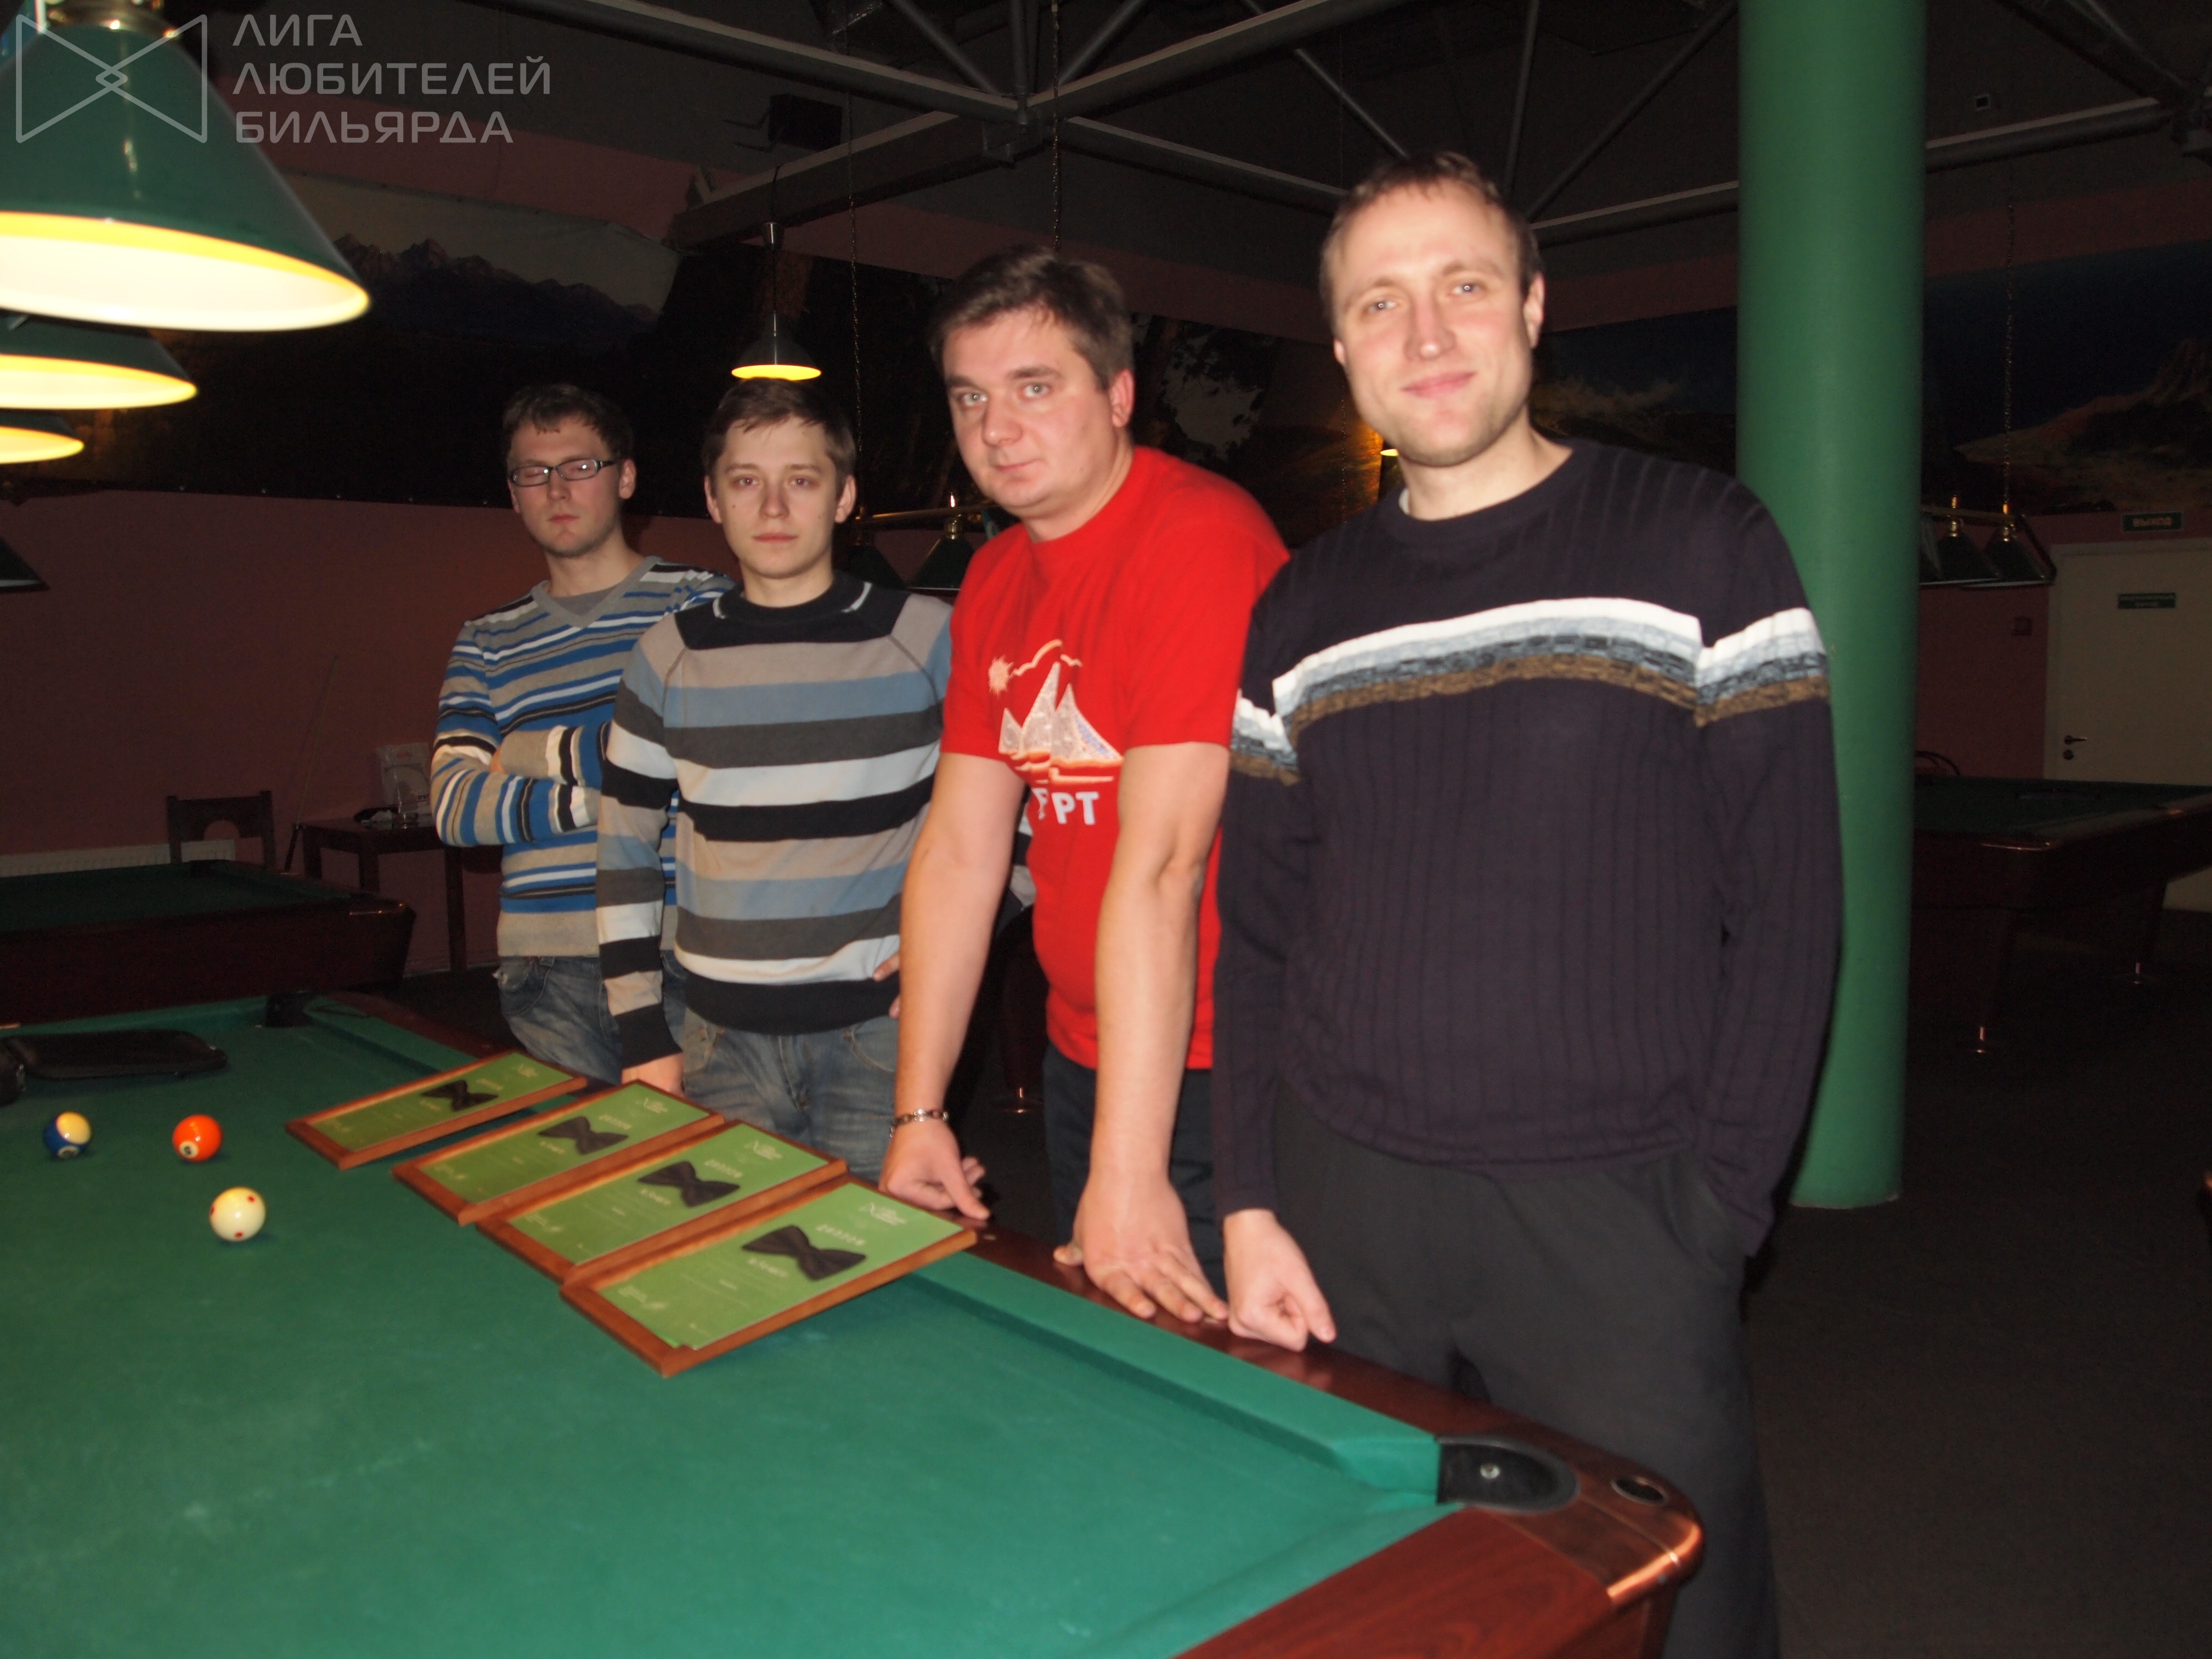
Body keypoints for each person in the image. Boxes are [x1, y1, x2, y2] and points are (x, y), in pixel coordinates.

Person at [1212, 151, 1841, 1659]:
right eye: (1382, 302)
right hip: (1349, 1208)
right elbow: (1258, 928)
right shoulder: (1300, 608)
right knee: (1374, 1608)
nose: (1427, 333)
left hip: (1618, 1219)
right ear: (1343, 345)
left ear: (1535, 308)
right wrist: (1246, 1199)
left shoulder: (1704, 542)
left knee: (1673, 1615)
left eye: (1465, 286)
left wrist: (1720, 1208)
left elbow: (1793, 903)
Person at [880, 246, 1287, 1322]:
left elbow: (1163, 869)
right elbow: (959, 853)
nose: (995, 429)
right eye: (970, 397)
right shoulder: (996, 575)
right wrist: (919, 1111)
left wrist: (1130, 1167)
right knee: (1120, 1334)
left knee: (1228, 1370)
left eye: (1034, 387)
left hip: (1228, 1062)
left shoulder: (1200, 538)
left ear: (1117, 395)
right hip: (1086, 1044)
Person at [595, 381, 958, 1183]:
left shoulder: (929, 641)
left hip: (882, 1040)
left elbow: (1028, 807)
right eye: (745, 480)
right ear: (712, 498)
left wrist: (960, 942)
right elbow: (623, 851)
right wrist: (641, 1031)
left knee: (884, 1253)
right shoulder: (665, 656)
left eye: (801, 479)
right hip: (717, 1044)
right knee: (735, 1255)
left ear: (844, 496)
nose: (772, 506)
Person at [434, 385, 728, 1082]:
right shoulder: (485, 640)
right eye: (533, 472)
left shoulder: (698, 601)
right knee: (582, 1157)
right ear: (514, 495)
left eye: (580, 467)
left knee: (705, 1152)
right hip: (542, 965)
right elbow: (454, 808)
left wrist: (524, 755)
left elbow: (705, 744)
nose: (557, 489)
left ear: (625, 478)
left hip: (682, 948)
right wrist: (617, 792)